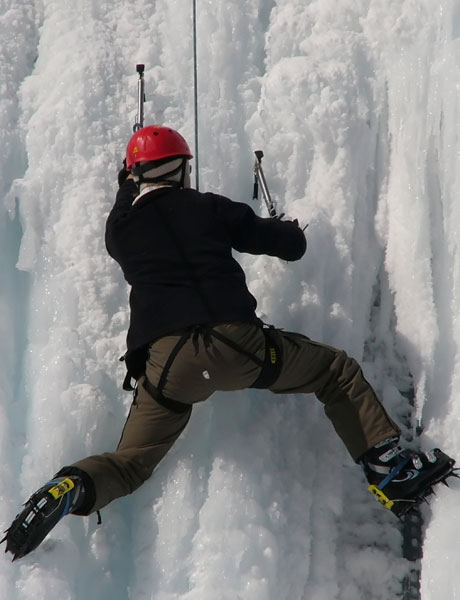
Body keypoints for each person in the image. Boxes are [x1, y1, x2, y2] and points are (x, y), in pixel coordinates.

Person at [2, 126, 455, 561]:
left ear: (136, 176)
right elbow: (290, 246)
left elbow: (124, 207)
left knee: (132, 462)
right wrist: (290, 229)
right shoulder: (209, 208)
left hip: (166, 364)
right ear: (181, 168)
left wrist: (126, 181)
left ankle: (76, 485)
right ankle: (388, 469)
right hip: (239, 346)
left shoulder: (121, 230)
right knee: (333, 372)